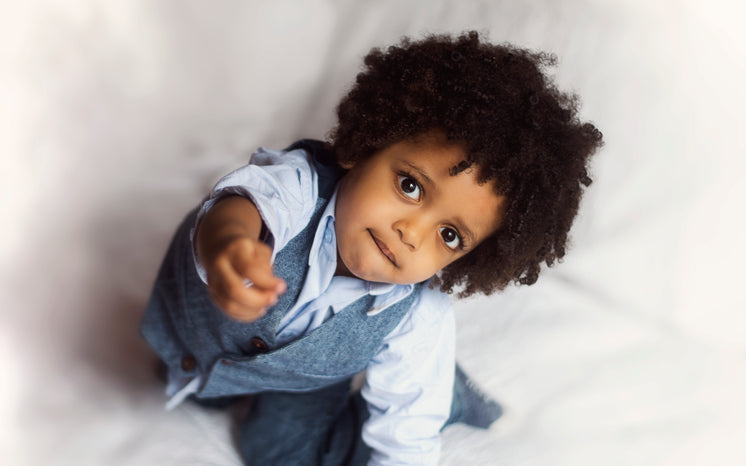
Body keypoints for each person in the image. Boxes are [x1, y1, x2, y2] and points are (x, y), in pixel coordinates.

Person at [141, 31, 603, 465]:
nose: (411, 232)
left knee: (277, 451)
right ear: (364, 146)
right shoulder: (299, 188)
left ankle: (452, 398)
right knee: (196, 387)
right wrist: (229, 245)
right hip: (203, 337)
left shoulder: (417, 314)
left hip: (306, 381)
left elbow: (407, 434)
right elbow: (243, 203)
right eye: (410, 186)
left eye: (449, 235)